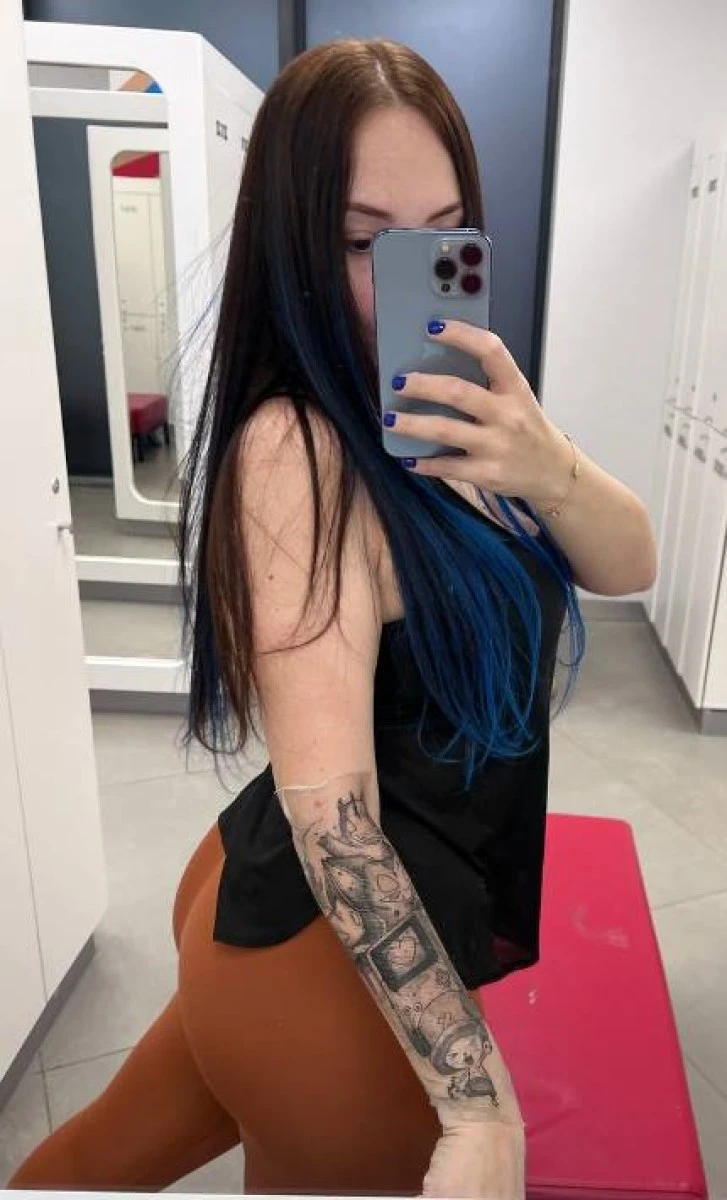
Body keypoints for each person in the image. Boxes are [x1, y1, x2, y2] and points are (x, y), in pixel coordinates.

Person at [9, 38, 657, 1199]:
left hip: (279, 912)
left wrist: (544, 460)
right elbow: (336, 820)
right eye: (365, 243)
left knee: (97, 1161)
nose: (412, 279)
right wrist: (479, 1106)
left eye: (444, 234)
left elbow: (629, 561)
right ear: (294, 245)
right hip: (332, 948)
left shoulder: (470, 415)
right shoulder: (297, 450)